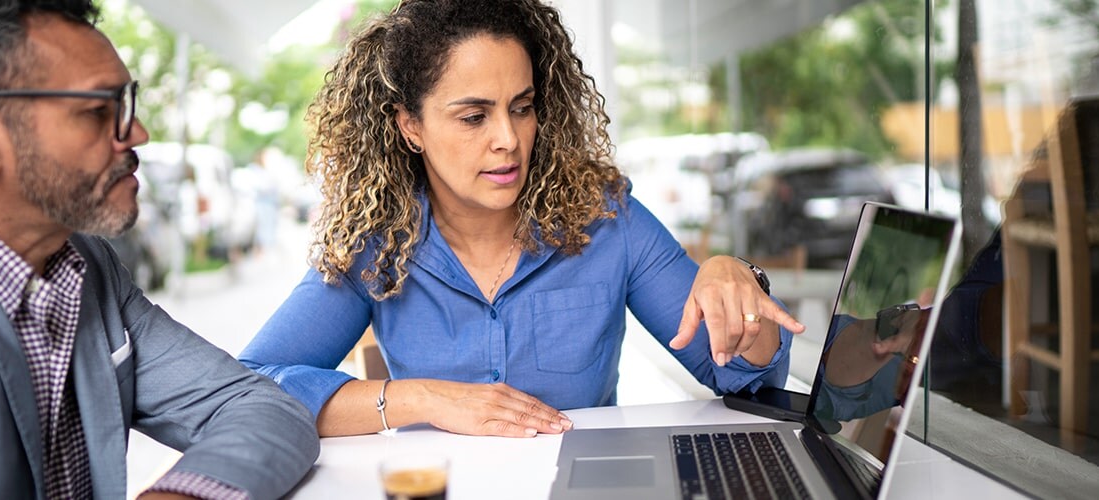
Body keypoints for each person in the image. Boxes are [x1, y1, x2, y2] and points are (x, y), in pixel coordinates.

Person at [239, 0, 806, 439]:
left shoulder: (608, 220)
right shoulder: (376, 242)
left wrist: (737, 282)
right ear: (410, 125)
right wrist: (422, 398)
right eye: (473, 116)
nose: (508, 140)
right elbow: (250, 388)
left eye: (521, 107)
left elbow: (748, 380)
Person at [0, 1, 318, 499]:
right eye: (99, 111)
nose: (137, 133)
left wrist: (182, 495)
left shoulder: (85, 263)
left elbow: (258, 406)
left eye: (126, 103)